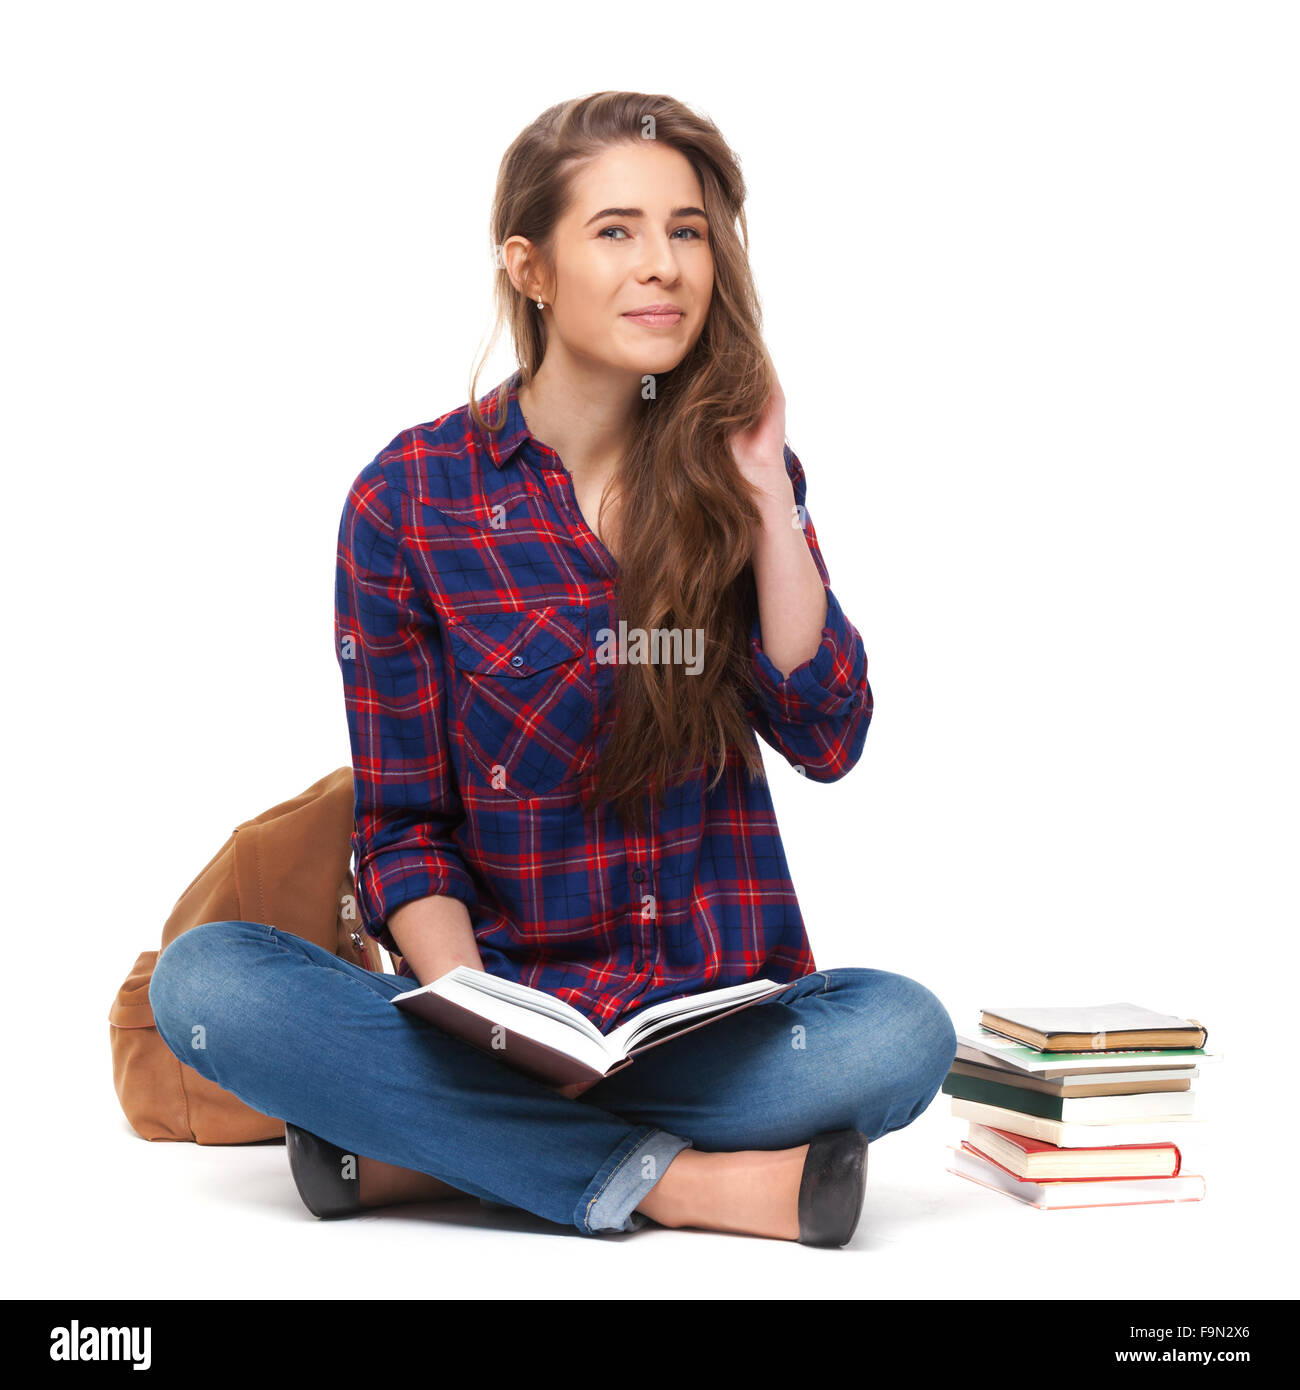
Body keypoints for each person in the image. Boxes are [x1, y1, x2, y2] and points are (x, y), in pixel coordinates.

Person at [149, 90, 956, 1246]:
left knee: (900, 1033)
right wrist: (476, 1008)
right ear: (530, 266)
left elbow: (829, 735)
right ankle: (685, 1184)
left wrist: (772, 502)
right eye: (616, 231)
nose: (664, 266)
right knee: (211, 986)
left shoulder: (739, 480)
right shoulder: (409, 499)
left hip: (703, 1028)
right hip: (498, 1018)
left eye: (687, 231)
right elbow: (404, 825)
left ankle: (416, 1152)